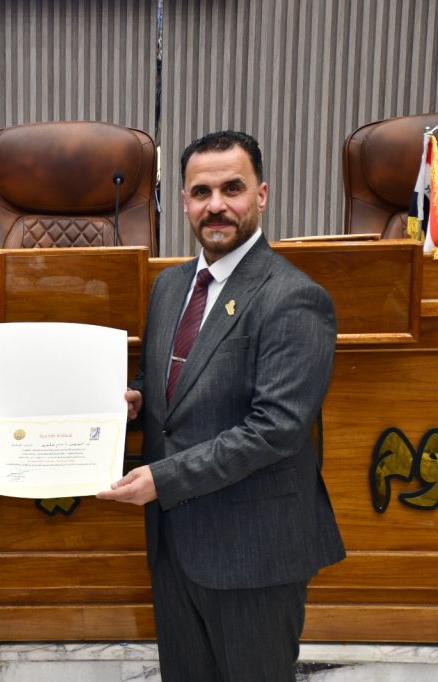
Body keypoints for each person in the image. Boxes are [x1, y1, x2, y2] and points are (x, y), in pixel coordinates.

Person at [97, 130, 345, 681]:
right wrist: (138, 397)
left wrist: (161, 478)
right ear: (183, 201)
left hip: (253, 550)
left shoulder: (293, 297)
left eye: (232, 188)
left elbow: (275, 428)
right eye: (201, 191)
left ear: (262, 194)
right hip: (174, 546)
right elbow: (167, 379)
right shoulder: (169, 286)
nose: (216, 205)